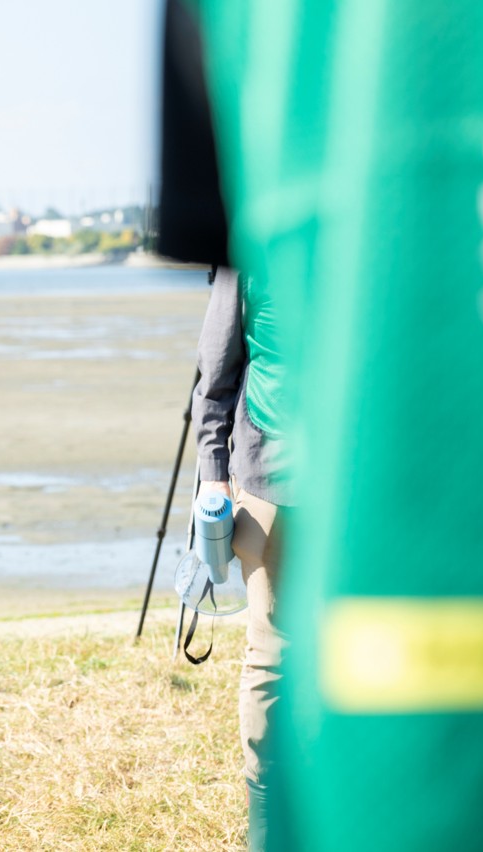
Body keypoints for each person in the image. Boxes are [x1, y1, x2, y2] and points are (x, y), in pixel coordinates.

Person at [190, 265, 289, 850]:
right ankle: (268, 816)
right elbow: (217, 369)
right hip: (273, 476)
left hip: (356, 478)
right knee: (275, 647)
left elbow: (214, 371)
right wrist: (213, 475)